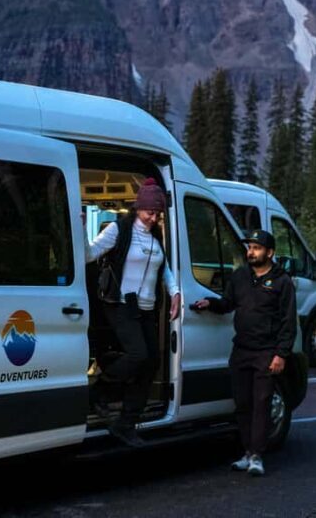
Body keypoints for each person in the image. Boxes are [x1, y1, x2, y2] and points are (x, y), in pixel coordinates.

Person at [85, 177, 181, 448]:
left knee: (151, 362)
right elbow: (88, 254)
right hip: (121, 304)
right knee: (138, 354)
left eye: (158, 213)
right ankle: (99, 390)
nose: (154, 218)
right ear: (139, 208)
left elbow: (164, 269)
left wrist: (174, 292)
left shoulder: (155, 236)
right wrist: (80, 227)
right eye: (151, 212)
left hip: (148, 308)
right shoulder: (120, 229)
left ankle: (126, 423)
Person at [194, 229, 296, 475]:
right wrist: (211, 303)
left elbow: (288, 321)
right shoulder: (240, 277)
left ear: (270, 253)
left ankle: (257, 456)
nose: (251, 252)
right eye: (249, 247)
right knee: (242, 404)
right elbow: (229, 303)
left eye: (257, 248)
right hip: (241, 350)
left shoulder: (282, 282)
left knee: (261, 403)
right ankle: (247, 452)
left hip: (266, 352)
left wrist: (281, 354)